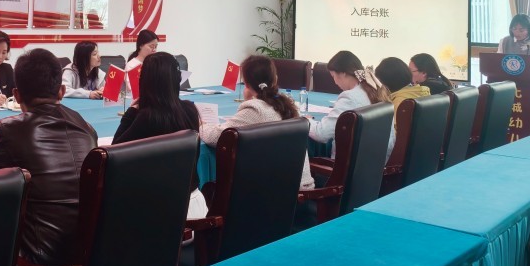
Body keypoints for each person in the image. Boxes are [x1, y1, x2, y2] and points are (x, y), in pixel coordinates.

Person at [0, 48, 96, 266]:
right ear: (62, 91)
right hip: (89, 251)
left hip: (37, 258)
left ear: (16, 96)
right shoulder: (86, 127)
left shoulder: (10, 130)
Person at [112, 51, 206, 218]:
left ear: (145, 81)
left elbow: (114, 153)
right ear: (177, 80)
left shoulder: (147, 117)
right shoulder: (190, 109)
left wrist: (131, 112)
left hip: (160, 212)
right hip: (195, 204)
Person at [201, 55, 314, 190]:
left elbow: (217, 137)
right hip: (300, 189)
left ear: (246, 84)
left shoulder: (255, 109)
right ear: (275, 79)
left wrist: (201, 125)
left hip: (273, 193)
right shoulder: (288, 105)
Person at [307, 50, 393, 157]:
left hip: (351, 162)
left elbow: (321, 134)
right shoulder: (376, 90)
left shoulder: (350, 97)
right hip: (379, 159)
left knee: (307, 139)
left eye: (333, 76)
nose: (334, 82)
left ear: (343, 73)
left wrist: (306, 120)